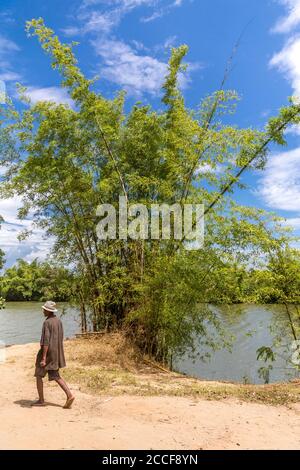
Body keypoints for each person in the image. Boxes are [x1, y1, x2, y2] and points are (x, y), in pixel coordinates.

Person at [32, 301, 75, 409]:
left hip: (48, 353)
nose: (43, 311)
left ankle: (41, 400)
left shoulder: (47, 323)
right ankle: (69, 395)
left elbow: (45, 341)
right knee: (55, 375)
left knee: (38, 375)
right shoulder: (58, 321)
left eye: (44, 309)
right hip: (56, 352)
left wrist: (43, 358)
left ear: (48, 311)